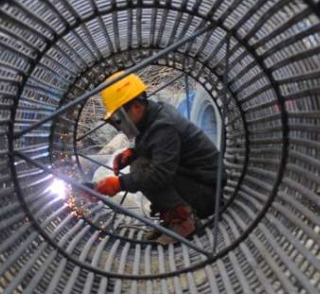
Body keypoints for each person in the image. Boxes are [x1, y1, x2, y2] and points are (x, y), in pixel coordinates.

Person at [93, 72, 224, 245]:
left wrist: (120, 184)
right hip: (198, 183)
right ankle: (172, 218)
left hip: (208, 194)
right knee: (138, 162)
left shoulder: (163, 126)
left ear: (137, 107)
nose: (119, 127)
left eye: (119, 119)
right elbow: (157, 148)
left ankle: (184, 221)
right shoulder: (153, 116)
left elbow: (160, 174)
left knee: (141, 169)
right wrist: (133, 153)